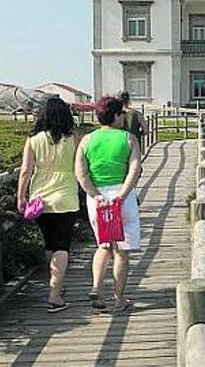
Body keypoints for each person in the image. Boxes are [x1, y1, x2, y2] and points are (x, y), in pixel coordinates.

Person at [75, 95, 143, 314]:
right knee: (121, 250)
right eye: (122, 113)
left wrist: (95, 195)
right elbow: (134, 170)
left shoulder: (87, 140)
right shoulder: (128, 139)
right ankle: (119, 299)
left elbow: (81, 174)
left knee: (104, 246)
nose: (124, 116)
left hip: (98, 200)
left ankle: (96, 286)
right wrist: (122, 194)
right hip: (122, 197)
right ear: (115, 115)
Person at [16, 97, 78, 313]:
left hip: (40, 198)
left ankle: (55, 285)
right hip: (66, 196)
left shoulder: (33, 140)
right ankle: (54, 295)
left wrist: (21, 196)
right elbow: (80, 167)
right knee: (62, 245)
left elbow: (25, 171)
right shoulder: (73, 139)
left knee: (49, 245)